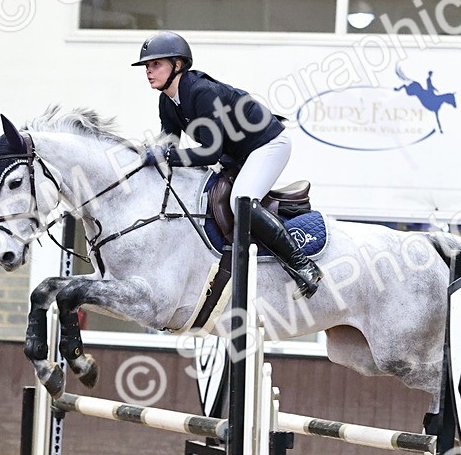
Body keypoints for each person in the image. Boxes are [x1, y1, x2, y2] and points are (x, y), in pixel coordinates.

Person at [133, 31, 322, 298]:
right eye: (147, 66)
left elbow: (209, 153)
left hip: (267, 145)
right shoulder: (167, 101)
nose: (148, 72)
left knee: (240, 201)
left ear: (177, 65)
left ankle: (304, 266)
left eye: (155, 64)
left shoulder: (201, 92)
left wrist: (164, 157)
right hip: (237, 154)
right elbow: (169, 145)